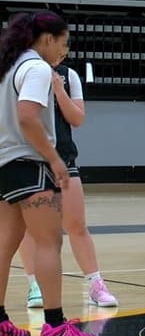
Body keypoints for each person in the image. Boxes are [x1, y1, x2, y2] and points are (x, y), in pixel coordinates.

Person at [0, 10, 97, 336]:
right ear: (47, 39)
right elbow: (28, 117)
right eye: (63, 43)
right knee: (49, 242)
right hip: (30, 164)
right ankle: (55, 326)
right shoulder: (38, 68)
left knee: (5, 244)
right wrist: (54, 159)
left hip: (4, 164)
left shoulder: (8, 66)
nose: (64, 51)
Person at [18, 61, 118, 308]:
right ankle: (34, 284)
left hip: (63, 158)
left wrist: (59, 90)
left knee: (76, 224)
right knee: (31, 228)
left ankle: (95, 284)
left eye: (66, 46)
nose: (63, 51)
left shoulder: (68, 75)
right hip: (28, 158)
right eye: (60, 44)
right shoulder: (22, 71)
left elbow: (77, 118)